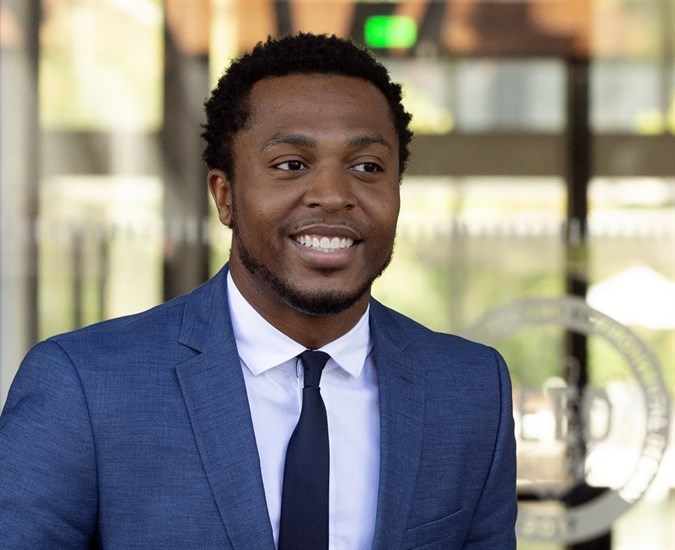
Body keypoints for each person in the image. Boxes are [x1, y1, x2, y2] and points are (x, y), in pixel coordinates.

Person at [0, 33, 516, 549]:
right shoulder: (85, 386)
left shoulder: (470, 391)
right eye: (291, 164)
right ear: (224, 197)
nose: (334, 195)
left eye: (367, 168)